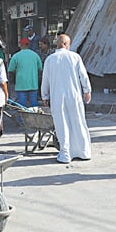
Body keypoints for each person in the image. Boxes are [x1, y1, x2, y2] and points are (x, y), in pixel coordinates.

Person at [41, 34, 92, 164]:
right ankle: (84, 151)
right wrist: (87, 90)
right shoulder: (75, 57)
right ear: (66, 44)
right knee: (78, 121)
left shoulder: (50, 59)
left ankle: (66, 154)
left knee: (61, 124)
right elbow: (83, 76)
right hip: (74, 96)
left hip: (57, 97)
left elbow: (45, 80)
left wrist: (45, 96)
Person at [8, 37, 43, 108]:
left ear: (20, 45)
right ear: (28, 44)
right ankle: (34, 119)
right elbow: (40, 68)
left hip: (21, 85)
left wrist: (13, 81)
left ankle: (22, 119)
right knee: (34, 106)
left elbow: (10, 70)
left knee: (22, 106)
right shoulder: (35, 55)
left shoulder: (16, 56)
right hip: (33, 84)